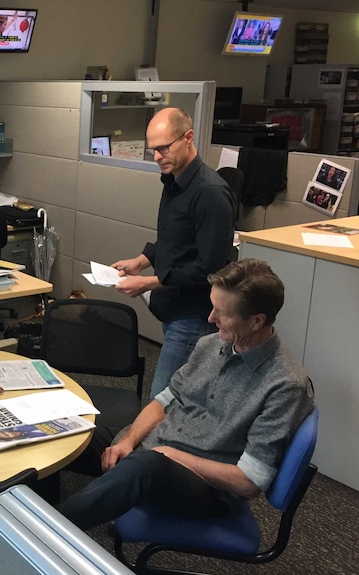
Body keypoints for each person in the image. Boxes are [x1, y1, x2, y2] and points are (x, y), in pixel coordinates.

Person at [57, 258, 315, 531]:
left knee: (145, 466)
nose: (210, 318)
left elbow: (248, 482)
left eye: (222, 312)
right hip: (152, 451)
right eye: (212, 307)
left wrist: (169, 454)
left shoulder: (285, 385)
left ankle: (38, 534)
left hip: (203, 488)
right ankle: (21, 503)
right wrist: (128, 441)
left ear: (256, 321)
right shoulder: (209, 345)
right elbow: (163, 403)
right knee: (65, 434)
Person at [112, 107, 236, 399]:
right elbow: (175, 239)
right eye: (153, 150)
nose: (157, 157)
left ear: (188, 138)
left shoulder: (210, 193)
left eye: (163, 148)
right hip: (173, 307)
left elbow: (211, 267)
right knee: (174, 400)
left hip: (193, 316)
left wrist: (149, 282)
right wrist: (141, 261)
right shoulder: (174, 181)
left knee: (162, 403)